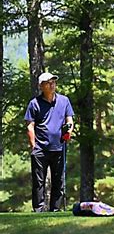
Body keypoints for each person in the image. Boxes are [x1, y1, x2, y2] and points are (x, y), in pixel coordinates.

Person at [24, 72, 74, 212]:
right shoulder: (34, 103)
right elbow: (30, 125)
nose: (52, 84)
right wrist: (33, 146)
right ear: (41, 86)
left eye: (53, 82)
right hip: (40, 148)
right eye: (48, 82)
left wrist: (69, 131)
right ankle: (38, 210)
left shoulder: (64, 100)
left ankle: (55, 210)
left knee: (58, 181)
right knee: (39, 182)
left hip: (59, 146)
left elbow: (69, 120)